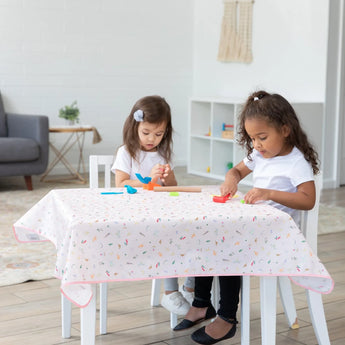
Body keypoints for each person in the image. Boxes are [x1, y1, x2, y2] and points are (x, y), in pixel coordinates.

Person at [174, 90, 319, 344]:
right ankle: (201, 304)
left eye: (262, 137)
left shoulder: (296, 162)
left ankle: (226, 318)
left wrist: (268, 192)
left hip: (277, 236)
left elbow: (308, 200)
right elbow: (237, 171)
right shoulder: (260, 154)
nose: (257, 145)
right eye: (253, 138)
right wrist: (231, 179)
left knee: (226, 247)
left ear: (285, 130)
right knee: (208, 234)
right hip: (255, 227)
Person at [111, 95, 194, 315]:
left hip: (162, 213)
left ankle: (189, 288)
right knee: (169, 240)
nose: (151, 139)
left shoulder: (163, 153)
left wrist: (166, 178)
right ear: (134, 127)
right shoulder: (126, 152)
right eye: (146, 133)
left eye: (158, 134)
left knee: (190, 233)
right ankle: (170, 292)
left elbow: (173, 186)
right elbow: (120, 184)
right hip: (135, 215)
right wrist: (148, 179)